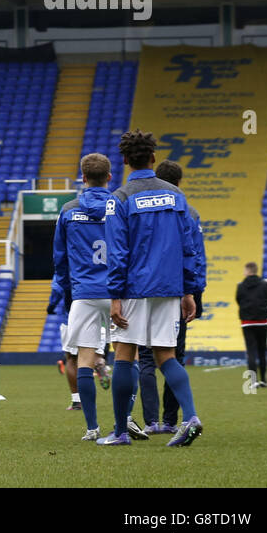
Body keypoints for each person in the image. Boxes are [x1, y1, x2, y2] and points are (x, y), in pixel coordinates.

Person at [98, 130, 204, 447]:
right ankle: (192, 417)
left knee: (125, 356)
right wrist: (188, 291)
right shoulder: (176, 196)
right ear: (154, 158)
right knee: (167, 356)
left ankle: (119, 431)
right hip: (170, 287)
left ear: (126, 161)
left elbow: (117, 252)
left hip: (134, 288)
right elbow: (189, 247)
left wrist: (115, 296)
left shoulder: (120, 198)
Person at [49, 153, 117, 441]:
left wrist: (66, 292)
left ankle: (92, 428)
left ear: (83, 177)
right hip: (118, 292)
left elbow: (60, 259)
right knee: (127, 357)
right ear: (110, 177)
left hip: (85, 292)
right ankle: (127, 421)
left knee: (84, 359)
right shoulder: (121, 207)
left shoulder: (68, 210)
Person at [237, 261, 267, 389]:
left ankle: (253, 382)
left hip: (247, 322)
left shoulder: (241, 286)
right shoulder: (265, 284)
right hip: (262, 320)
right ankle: (264, 380)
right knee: (262, 351)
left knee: (251, 351)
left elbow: (238, 300)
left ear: (248, 271)